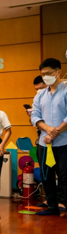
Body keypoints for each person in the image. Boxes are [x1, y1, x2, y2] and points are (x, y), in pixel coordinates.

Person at [31, 58, 67, 216]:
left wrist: (56, 131)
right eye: (43, 74)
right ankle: (52, 206)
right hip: (45, 144)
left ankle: (64, 204)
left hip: (64, 142)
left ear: (58, 72)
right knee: (47, 176)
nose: (45, 77)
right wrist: (48, 129)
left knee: (65, 175)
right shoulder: (40, 95)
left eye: (48, 73)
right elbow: (35, 117)